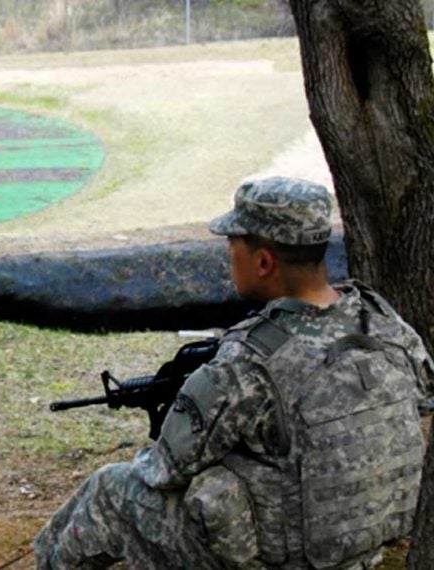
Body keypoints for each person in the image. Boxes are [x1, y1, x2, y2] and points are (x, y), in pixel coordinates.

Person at [34, 177, 434, 569]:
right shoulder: (381, 319)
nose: (229, 256)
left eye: (233, 246)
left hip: (285, 556)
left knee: (109, 489)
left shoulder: (249, 358)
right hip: (360, 545)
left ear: (263, 261)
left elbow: (165, 468)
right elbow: (420, 400)